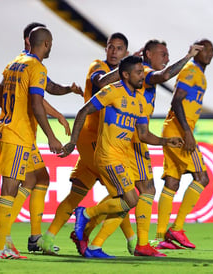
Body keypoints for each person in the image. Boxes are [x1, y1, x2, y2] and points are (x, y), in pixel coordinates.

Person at [79, 40, 203, 257]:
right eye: (162, 54)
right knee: (140, 192)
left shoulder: (140, 76)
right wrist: (187, 57)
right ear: (148, 55)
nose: (166, 58)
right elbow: (164, 76)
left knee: (137, 193)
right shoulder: (144, 72)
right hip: (132, 140)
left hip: (137, 136)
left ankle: (98, 235)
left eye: (167, 54)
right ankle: (96, 226)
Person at [59, 55, 184, 258]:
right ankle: (86, 215)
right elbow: (83, 111)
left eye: (142, 72)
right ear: (125, 74)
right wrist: (73, 142)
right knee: (132, 199)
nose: (142, 76)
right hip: (107, 155)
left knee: (125, 203)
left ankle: (93, 243)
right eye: (138, 72)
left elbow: (143, 135)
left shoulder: (140, 102)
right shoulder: (112, 91)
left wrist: (166, 141)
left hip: (123, 157)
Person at [0, 22, 83, 256]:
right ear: (47, 44)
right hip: (17, 135)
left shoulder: (15, 64)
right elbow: (35, 103)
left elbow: (1, 96)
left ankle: (32, 238)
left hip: (14, 131)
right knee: (9, 189)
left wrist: (68, 90)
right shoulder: (36, 68)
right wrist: (51, 136)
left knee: (40, 178)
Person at [37, 33, 135, 255]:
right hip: (92, 139)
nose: (113, 51)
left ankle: (48, 238)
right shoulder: (97, 66)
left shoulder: (125, 80)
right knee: (123, 195)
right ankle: (131, 241)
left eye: (119, 49)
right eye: (111, 47)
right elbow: (100, 82)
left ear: (125, 52)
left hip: (96, 141)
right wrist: (126, 70)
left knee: (77, 193)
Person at [153, 39, 213, 250]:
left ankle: (159, 237)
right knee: (202, 177)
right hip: (180, 132)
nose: (209, 53)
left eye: (212, 50)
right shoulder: (190, 71)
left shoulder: (200, 74)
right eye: (204, 49)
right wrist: (188, 133)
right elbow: (176, 100)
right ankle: (176, 228)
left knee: (172, 182)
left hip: (172, 129)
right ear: (195, 52)